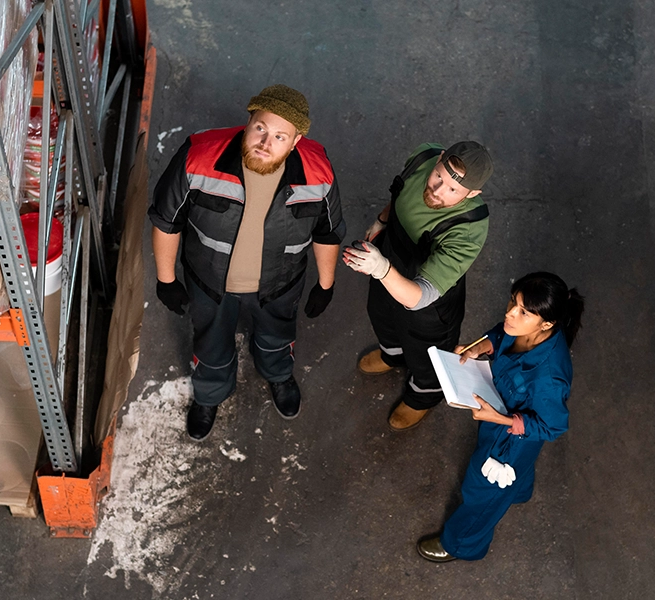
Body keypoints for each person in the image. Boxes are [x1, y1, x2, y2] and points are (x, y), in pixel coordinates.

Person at [148, 84, 345, 441]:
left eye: (280, 137)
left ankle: (278, 375)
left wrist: (325, 284)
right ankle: (209, 394)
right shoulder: (199, 156)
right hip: (210, 284)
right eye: (260, 129)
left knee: (276, 338)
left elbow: (328, 232)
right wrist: (166, 279)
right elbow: (166, 220)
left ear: (296, 141)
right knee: (211, 345)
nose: (266, 143)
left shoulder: (318, 172)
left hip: (279, 285)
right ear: (248, 121)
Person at [415, 271, 584, 562]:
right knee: (517, 474)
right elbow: (501, 334)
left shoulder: (550, 377)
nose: (510, 314)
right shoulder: (521, 329)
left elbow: (553, 426)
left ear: (547, 323)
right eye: (512, 302)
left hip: (510, 442)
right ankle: (518, 491)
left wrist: (502, 420)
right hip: (499, 415)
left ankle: (461, 544)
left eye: (523, 312)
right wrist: (481, 347)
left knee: (482, 492)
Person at [343, 141, 492, 431]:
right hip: (387, 263)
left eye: (453, 190)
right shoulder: (422, 157)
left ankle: (422, 396)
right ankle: (392, 355)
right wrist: (381, 221)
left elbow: (418, 297)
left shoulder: (469, 227)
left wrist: (381, 269)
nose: (438, 190)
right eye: (439, 176)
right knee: (381, 314)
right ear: (438, 158)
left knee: (427, 354)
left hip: (427, 304)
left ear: (473, 194)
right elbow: (400, 194)